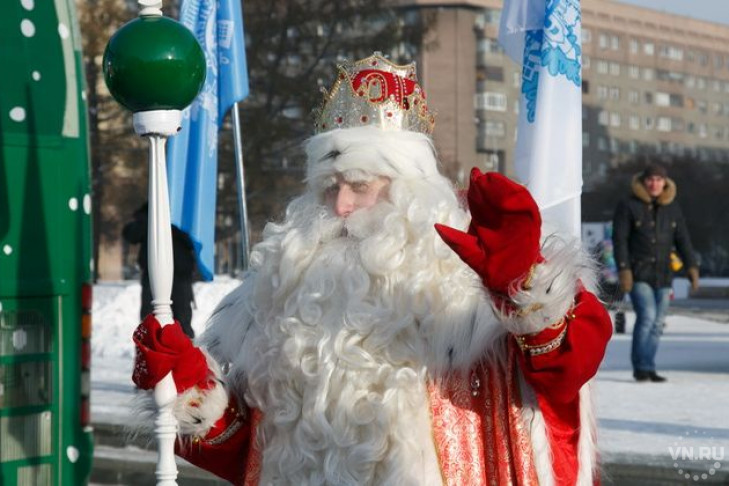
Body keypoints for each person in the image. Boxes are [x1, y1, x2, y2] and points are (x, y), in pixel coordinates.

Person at [131, 53, 612, 485]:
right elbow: (254, 455)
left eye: (360, 186)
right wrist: (193, 393)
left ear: (411, 188)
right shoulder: (275, 297)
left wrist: (524, 285)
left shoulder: (466, 286)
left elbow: (566, 374)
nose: (340, 206)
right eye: (329, 186)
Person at [613, 163, 699, 383]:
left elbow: (683, 239)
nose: (655, 183)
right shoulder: (628, 205)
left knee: (658, 322)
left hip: (663, 274)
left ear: (665, 183)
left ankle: (649, 366)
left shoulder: (672, 207)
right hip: (638, 272)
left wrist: (691, 266)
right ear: (643, 181)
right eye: (651, 179)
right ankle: (640, 367)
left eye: (659, 180)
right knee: (647, 316)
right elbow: (620, 239)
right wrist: (624, 269)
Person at [122, 203, 197, 338]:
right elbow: (130, 234)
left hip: (179, 276)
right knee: (152, 321)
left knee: (181, 322)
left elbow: (193, 243)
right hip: (156, 276)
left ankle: (183, 354)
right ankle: (151, 353)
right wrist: (149, 221)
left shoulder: (181, 218)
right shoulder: (150, 217)